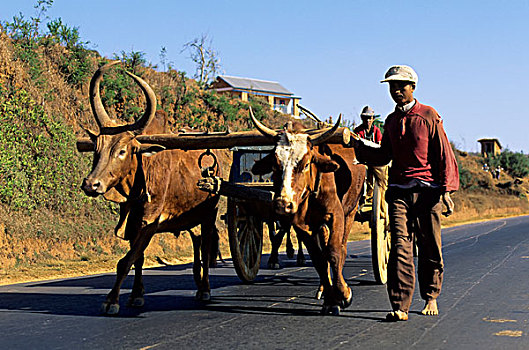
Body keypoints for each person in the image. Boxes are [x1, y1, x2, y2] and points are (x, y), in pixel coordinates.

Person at [352, 65, 459, 321]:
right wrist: (356, 149)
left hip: (427, 192)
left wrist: (446, 191)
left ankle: (431, 295)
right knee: (400, 245)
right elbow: (384, 155)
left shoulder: (428, 115)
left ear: (413, 87)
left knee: (429, 245)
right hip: (398, 191)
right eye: (392, 86)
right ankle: (400, 305)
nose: (396, 90)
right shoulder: (390, 121)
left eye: (401, 85)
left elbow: (444, 154)